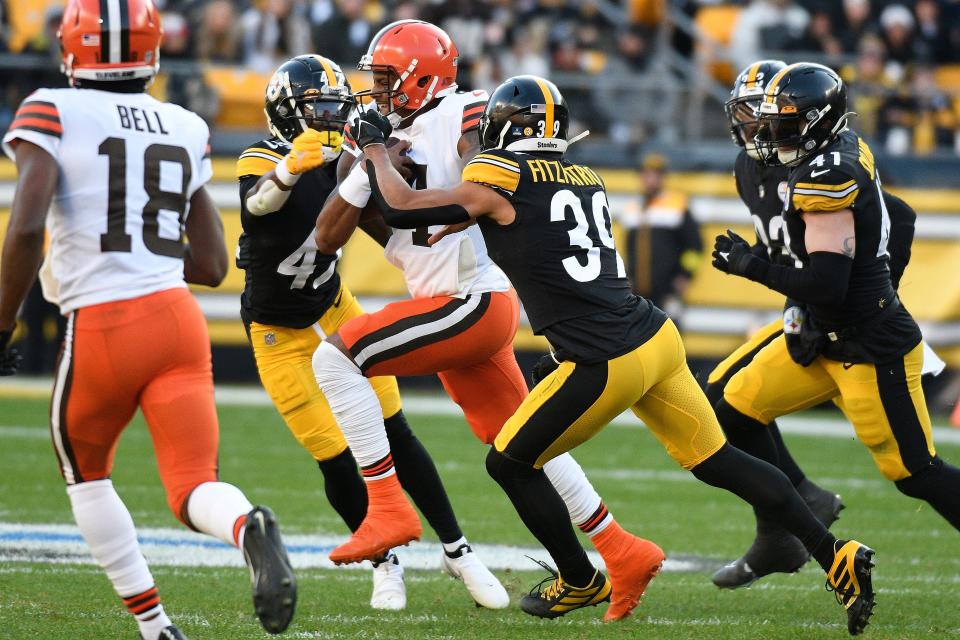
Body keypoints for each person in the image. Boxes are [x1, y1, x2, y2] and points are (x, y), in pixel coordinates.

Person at [355, 74, 878, 635]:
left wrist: (373, 148)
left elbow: (405, 206)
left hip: (603, 359)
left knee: (507, 462)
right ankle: (835, 555)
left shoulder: (497, 173)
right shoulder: (584, 175)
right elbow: (513, 218)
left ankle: (578, 577)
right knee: (720, 460)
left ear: (508, 127)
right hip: (654, 336)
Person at [312, 20, 660, 621]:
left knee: (336, 357)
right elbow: (327, 235)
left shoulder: (468, 110)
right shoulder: (379, 134)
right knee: (521, 442)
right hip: (450, 301)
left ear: (424, 77)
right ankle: (619, 549)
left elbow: (478, 171)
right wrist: (366, 162)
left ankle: (387, 504)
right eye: (377, 80)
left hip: (471, 298)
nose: (379, 91)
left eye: (389, 79)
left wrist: (386, 161)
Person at [0, 2, 296, 638]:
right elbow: (214, 265)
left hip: (105, 324)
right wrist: (139, 252)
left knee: (85, 473)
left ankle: (156, 627)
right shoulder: (184, 123)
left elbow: (25, 228)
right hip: (177, 322)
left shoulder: (51, 108)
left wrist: (2, 327)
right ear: (154, 51)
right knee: (192, 486)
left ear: (73, 48)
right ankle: (248, 527)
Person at [237, 53, 500, 610]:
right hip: (277, 330)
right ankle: (386, 565)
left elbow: (390, 225)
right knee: (334, 453)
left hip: (334, 306)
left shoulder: (346, 160)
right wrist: (288, 169)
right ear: (289, 113)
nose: (334, 116)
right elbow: (257, 205)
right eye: (320, 107)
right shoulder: (262, 158)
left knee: (395, 431)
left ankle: (458, 549)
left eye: (337, 105)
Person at [713, 63, 960, 547]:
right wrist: (797, 303)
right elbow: (817, 266)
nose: (770, 131)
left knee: (915, 472)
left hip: (868, 343)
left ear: (817, 122)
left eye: (784, 122)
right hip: (820, 333)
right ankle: (796, 509)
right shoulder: (819, 154)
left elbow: (828, 283)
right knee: (732, 408)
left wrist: (748, 265)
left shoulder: (827, 175)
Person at [622, 153, 702, 316]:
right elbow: (628, 249)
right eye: (646, 174)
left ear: (662, 177)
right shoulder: (632, 208)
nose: (650, 179)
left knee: (671, 330)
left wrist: (685, 275)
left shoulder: (677, 205)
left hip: (668, 289)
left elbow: (696, 246)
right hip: (637, 291)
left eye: (655, 175)